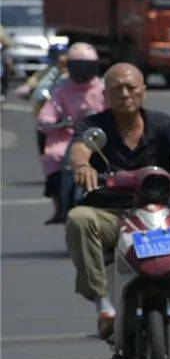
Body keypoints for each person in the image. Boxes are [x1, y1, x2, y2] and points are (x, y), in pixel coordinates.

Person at [65, 63, 170, 340]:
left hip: (161, 216)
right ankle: (104, 307)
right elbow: (80, 151)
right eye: (117, 89)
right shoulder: (93, 127)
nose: (125, 94)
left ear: (143, 92)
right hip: (112, 216)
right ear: (106, 94)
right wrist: (82, 167)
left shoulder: (162, 124)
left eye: (131, 88)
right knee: (79, 218)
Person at [36, 42, 106, 224]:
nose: (82, 71)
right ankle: (62, 206)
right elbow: (47, 114)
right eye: (78, 66)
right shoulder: (63, 89)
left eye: (87, 66)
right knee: (54, 158)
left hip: (101, 138)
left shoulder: (103, 88)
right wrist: (55, 122)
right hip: (68, 137)